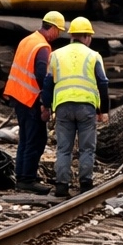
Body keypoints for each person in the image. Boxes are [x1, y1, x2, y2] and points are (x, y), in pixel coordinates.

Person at [40, 16, 110, 198]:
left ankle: (61, 186)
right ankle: (85, 184)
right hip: (86, 107)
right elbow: (102, 83)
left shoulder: (56, 55)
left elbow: (48, 83)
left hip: (63, 106)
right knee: (87, 148)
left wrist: (46, 106)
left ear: (72, 36)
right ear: (86, 37)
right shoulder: (93, 56)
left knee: (64, 149)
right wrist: (104, 111)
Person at [3, 12, 65, 194]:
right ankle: (27, 180)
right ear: (52, 28)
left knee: (25, 138)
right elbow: (42, 76)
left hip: (18, 96)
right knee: (36, 140)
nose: (58, 35)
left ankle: (22, 176)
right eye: (58, 31)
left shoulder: (28, 40)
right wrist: (46, 102)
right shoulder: (43, 47)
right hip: (31, 99)